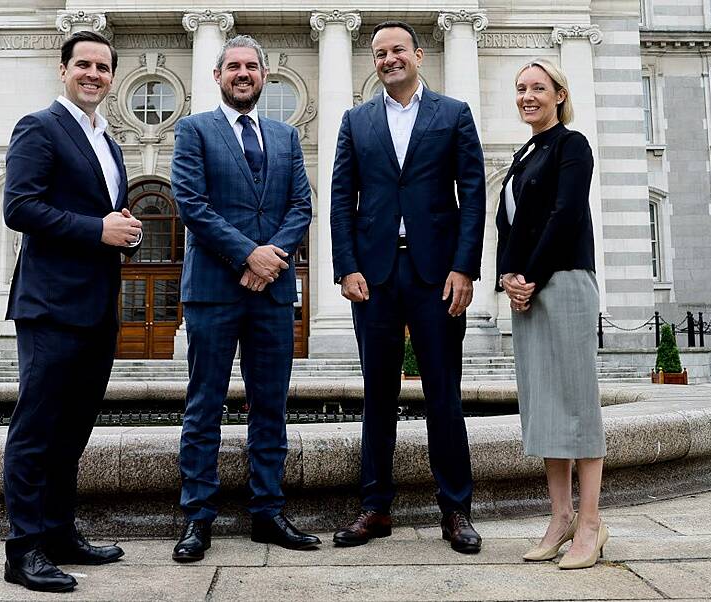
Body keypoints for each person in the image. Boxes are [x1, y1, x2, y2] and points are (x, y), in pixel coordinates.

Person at [329, 20, 487, 553]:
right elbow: (340, 197)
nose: (389, 58)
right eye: (379, 53)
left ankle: (456, 510)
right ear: (373, 61)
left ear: (419, 55)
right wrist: (345, 266)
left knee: (444, 394)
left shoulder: (454, 114)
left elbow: (473, 194)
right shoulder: (355, 120)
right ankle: (375, 508)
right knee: (378, 395)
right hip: (374, 276)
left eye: (398, 49)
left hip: (436, 275)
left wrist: (465, 268)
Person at [1, 30, 143, 592]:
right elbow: (19, 207)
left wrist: (122, 232)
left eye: (103, 67)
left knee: (73, 430)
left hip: (96, 308)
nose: (93, 74)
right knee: (37, 430)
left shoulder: (106, 141)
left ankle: (59, 532)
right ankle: (24, 549)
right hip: (51, 306)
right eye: (82, 64)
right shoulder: (40, 127)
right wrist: (98, 228)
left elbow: (100, 217)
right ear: (63, 70)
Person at [169, 35, 316, 562]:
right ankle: (198, 517)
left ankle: (268, 512)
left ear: (263, 75)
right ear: (218, 75)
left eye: (252, 66)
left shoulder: (285, 135)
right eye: (234, 66)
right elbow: (190, 203)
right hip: (213, 290)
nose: (244, 73)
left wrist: (270, 256)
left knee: (270, 404)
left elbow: (302, 204)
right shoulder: (193, 130)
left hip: (272, 292)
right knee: (204, 404)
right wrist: (248, 256)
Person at [496, 58, 608, 570]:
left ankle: (591, 523)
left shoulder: (571, 145)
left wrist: (530, 276)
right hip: (530, 290)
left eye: (538, 87)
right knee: (544, 404)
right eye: (521, 88)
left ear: (559, 94)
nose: (527, 96)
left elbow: (565, 216)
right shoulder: (525, 154)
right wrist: (507, 277)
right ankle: (559, 517)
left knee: (577, 402)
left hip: (563, 282)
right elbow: (507, 226)